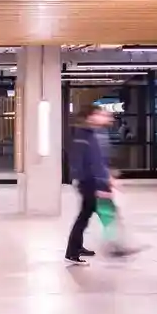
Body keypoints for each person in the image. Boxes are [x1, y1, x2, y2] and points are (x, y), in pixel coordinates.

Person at [66, 106, 114, 265]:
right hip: (89, 182)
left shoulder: (91, 134)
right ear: (90, 117)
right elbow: (86, 162)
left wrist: (107, 177)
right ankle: (72, 252)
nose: (104, 117)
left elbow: (99, 161)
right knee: (90, 215)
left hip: (93, 181)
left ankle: (77, 247)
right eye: (100, 114)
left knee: (86, 215)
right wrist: (99, 184)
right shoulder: (84, 135)